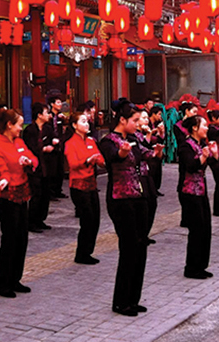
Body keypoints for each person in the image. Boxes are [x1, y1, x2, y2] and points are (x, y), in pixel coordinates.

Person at [99, 99, 164, 316]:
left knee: (141, 246)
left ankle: (134, 298)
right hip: (120, 200)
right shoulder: (109, 141)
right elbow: (111, 159)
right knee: (128, 249)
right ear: (122, 120)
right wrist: (122, 153)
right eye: (134, 120)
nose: (137, 124)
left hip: (140, 197)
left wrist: (156, 152)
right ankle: (121, 301)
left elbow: (146, 155)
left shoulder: (134, 138)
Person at [0, 110, 38, 298]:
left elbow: (33, 159)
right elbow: (1, 170)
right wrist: (4, 180)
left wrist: (28, 162)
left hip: (22, 193)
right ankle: (2, 284)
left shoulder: (19, 142)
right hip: (7, 196)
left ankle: (15, 279)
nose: (21, 128)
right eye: (19, 124)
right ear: (9, 125)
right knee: (9, 240)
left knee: (21, 239)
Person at [64, 112, 106, 264]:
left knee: (95, 219)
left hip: (91, 184)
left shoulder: (90, 141)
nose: (87, 124)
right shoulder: (70, 143)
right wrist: (88, 160)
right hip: (78, 185)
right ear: (74, 125)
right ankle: (81, 254)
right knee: (87, 220)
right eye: (83, 121)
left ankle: (88, 251)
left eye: (87, 121)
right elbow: (73, 164)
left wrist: (99, 161)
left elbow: (100, 158)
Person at [177, 115, 216, 279]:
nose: (207, 128)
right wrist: (204, 156)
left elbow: (212, 166)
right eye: (204, 125)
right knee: (196, 230)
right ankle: (191, 268)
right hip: (189, 192)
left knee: (206, 228)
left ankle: (201, 265)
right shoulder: (186, 146)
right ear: (194, 128)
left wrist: (214, 154)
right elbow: (191, 166)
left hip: (201, 191)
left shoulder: (200, 145)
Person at [23, 102, 53, 233]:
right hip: (35, 167)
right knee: (36, 194)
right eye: (46, 112)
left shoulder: (48, 129)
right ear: (39, 115)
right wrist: (43, 148)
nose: (48, 115)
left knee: (46, 194)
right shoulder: (30, 130)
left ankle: (41, 219)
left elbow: (55, 141)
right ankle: (32, 221)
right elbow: (30, 148)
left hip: (47, 165)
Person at [135, 110, 161, 242]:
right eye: (142, 118)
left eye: (146, 118)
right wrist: (149, 134)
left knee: (152, 202)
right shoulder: (134, 135)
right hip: (139, 174)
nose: (146, 120)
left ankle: (145, 233)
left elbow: (155, 143)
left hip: (147, 171)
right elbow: (144, 148)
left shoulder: (142, 134)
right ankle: (141, 234)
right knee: (145, 205)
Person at [46, 95, 68, 199]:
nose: (60, 105)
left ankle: (58, 190)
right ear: (52, 104)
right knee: (52, 169)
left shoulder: (60, 116)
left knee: (60, 169)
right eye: (58, 102)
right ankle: (51, 191)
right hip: (51, 145)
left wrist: (64, 120)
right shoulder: (48, 116)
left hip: (60, 144)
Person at [148, 106, 166, 196]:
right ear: (153, 114)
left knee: (158, 171)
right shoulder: (147, 124)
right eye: (159, 114)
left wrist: (161, 133)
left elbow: (161, 139)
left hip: (158, 150)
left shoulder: (158, 123)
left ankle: (156, 188)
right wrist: (154, 132)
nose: (160, 116)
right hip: (150, 151)